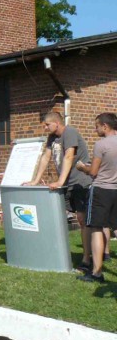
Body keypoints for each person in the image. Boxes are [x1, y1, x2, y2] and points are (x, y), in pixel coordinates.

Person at [23, 111, 93, 271]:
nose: (46, 128)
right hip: (65, 185)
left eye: (47, 125)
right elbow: (46, 157)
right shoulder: (52, 138)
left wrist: (60, 181)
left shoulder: (70, 132)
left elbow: (69, 156)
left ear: (56, 123)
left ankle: (87, 259)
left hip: (79, 183)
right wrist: (35, 181)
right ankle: (57, 254)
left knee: (82, 220)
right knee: (59, 219)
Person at [75, 112, 117, 283]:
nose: (95, 129)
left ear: (105, 126)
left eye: (97, 126)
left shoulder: (101, 145)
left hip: (101, 190)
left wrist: (81, 167)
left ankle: (96, 273)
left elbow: (93, 172)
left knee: (96, 229)